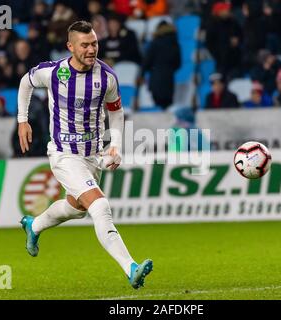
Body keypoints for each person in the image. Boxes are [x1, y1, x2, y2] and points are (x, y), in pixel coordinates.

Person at [17, 20, 152, 289]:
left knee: (77, 208)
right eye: (85, 45)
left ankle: (34, 226)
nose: (91, 50)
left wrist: (115, 145)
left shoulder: (107, 77)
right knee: (100, 206)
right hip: (64, 154)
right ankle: (131, 267)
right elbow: (25, 82)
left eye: (94, 44)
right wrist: (23, 119)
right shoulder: (54, 72)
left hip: (93, 154)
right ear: (70, 47)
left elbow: (115, 111)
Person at [142, 20, 181, 109]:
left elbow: (147, 61)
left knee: (158, 106)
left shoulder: (155, 42)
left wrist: (142, 74)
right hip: (169, 78)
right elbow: (178, 63)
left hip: (156, 78)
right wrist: (170, 69)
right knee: (168, 106)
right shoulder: (175, 43)